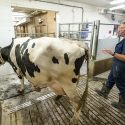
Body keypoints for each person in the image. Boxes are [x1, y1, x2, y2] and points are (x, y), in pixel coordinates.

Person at [95, 21, 125, 109]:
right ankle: (104, 92)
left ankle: (123, 104)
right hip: (117, 64)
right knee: (111, 78)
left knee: (121, 83)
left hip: (121, 66)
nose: (118, 30)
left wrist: (113, 54)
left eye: (121, 28)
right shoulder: (123, 39)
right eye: (119, 28)